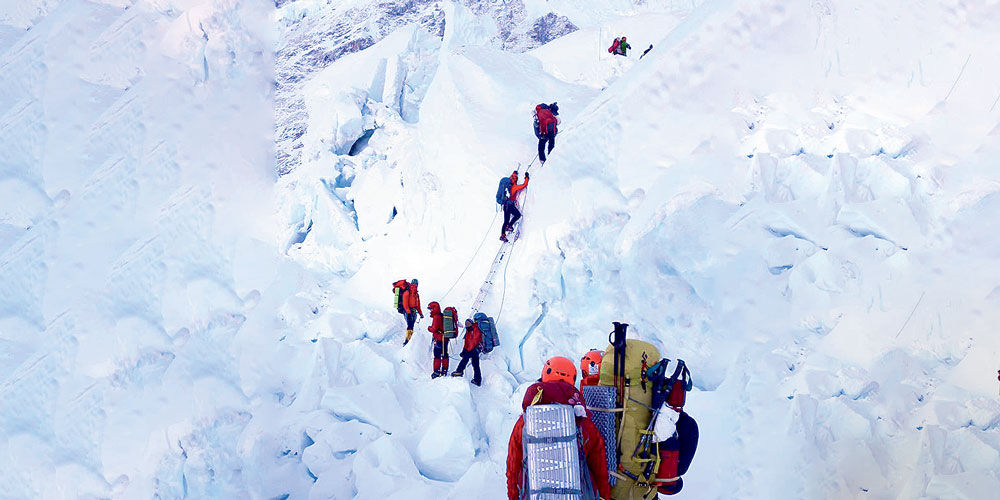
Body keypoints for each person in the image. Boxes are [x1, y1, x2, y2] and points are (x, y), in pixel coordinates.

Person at [505, 357, 611, 500]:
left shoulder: (525, 422)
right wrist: (604, 496)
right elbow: (600, 468)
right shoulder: (582, 421)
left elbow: (513, 466)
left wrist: (513, 495)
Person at [451, 319, 483, 386]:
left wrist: (467, 351)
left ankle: (459, 371)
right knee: (475, 364)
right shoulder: (468, 330)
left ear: (471, 323)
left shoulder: (475, 329)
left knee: (465, 359)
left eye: (468, 324)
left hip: (475, 349)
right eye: (466, 324)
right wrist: (464, 350)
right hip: (473, 349)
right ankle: (477, 380)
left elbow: (474, 341)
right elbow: (467, 342)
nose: (466, 325)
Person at [500, 170, 529, 242]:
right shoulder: (514, 187)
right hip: (510, 205)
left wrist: (515, 173)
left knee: (506, 220)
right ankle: (508, 226)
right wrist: (527, 177)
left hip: (505, 205)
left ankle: (503, 234)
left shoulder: (508, 186)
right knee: (517, 215)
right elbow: (524, 185)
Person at [427, 301, 450, 378]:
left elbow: (434, 329)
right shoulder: (442, 315)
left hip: (439, 339)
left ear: (434, 308)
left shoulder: (436, 317)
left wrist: (429, 328)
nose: (430, 311)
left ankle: (436, 371)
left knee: (437, 355)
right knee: (444, 354)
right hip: (445, 339)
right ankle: (444, 370)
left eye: (431, 309)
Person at [402, 279, 423, 345]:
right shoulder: (411, 293)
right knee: (410, 325)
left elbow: (405, 303)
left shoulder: (411, 293)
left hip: (410, 312)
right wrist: (420, 313)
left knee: (410, 325)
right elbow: (417, 305)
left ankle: (409, 340)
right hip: (410, 312)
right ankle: (407, 341)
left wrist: (420, 313)